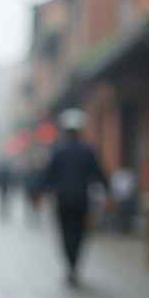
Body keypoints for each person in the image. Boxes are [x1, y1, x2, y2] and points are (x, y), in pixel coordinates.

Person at [40, 108, 110, 286]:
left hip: (63, 200)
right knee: (79, 233)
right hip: (81, 200)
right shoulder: (88, 151)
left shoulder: (58, 151)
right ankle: (74, 265)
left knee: (65, 233)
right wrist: (107, 190)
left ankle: (70, 265)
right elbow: (99, 174)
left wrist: (41, 191)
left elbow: (48, 176)